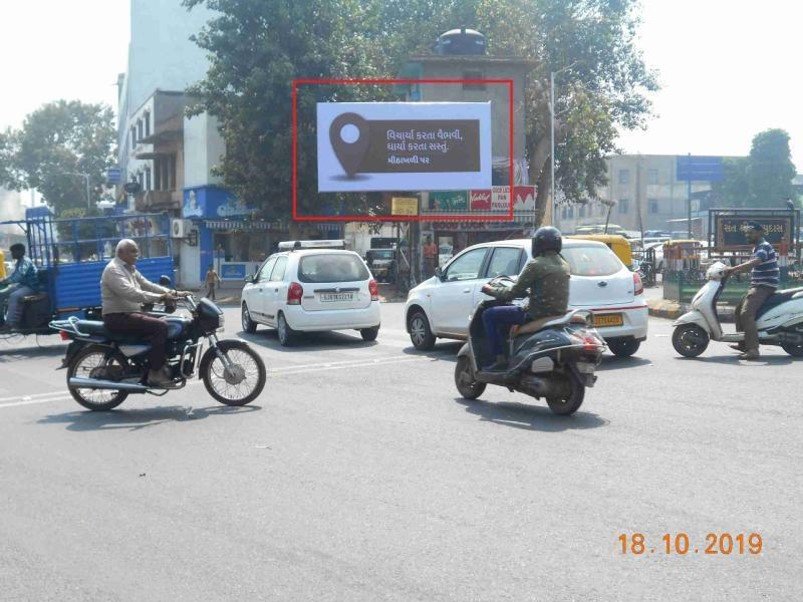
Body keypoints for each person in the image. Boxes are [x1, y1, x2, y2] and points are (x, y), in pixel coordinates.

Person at [101, 239, 191, 388]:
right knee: (160, 326)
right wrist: (161, 298)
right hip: (117, 316)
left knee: (168, 321)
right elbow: (131, 293)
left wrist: (175, 293)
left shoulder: (130, 268)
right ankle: (155, 373)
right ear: (121, 252)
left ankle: (154, 361)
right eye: (133, 251)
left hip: (130, 313)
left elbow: (148, 285)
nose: (137, 254)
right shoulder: (113, 269)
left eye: (137, 251)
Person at [479, 227, 571, 371]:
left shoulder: (536, 264)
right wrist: (531, 292)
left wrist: (490, 289)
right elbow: (546, 287)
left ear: (537, 244)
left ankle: (499, 358)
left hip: (535, 314)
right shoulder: (564, 264)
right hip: (557, 313)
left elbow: (512, 293)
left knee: (489, 314)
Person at [724, 221, 780, 361]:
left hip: (764, 287)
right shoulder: (757, 248)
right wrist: (736, 272)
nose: (748, 235)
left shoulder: (764, 247)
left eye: (751, 232)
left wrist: (733, 269)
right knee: (738, 311)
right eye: (747, 233)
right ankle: (743, 343)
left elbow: (754, 263)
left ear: (760, 233)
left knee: (746, 313)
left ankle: (753, 349)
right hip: (758, 286)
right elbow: (753, 267)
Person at [0, 243, 39, 330]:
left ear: (21, 252)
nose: (12, 254)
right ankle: (1, 321)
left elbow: (19, 276)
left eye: (13, 252)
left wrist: (6, 281)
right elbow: (13, 275)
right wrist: (4, 280)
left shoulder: (25, 261)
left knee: (14, 296)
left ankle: (10, 324)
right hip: (22, 286)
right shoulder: (19, 261)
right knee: (1, 294)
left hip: (31, 287)